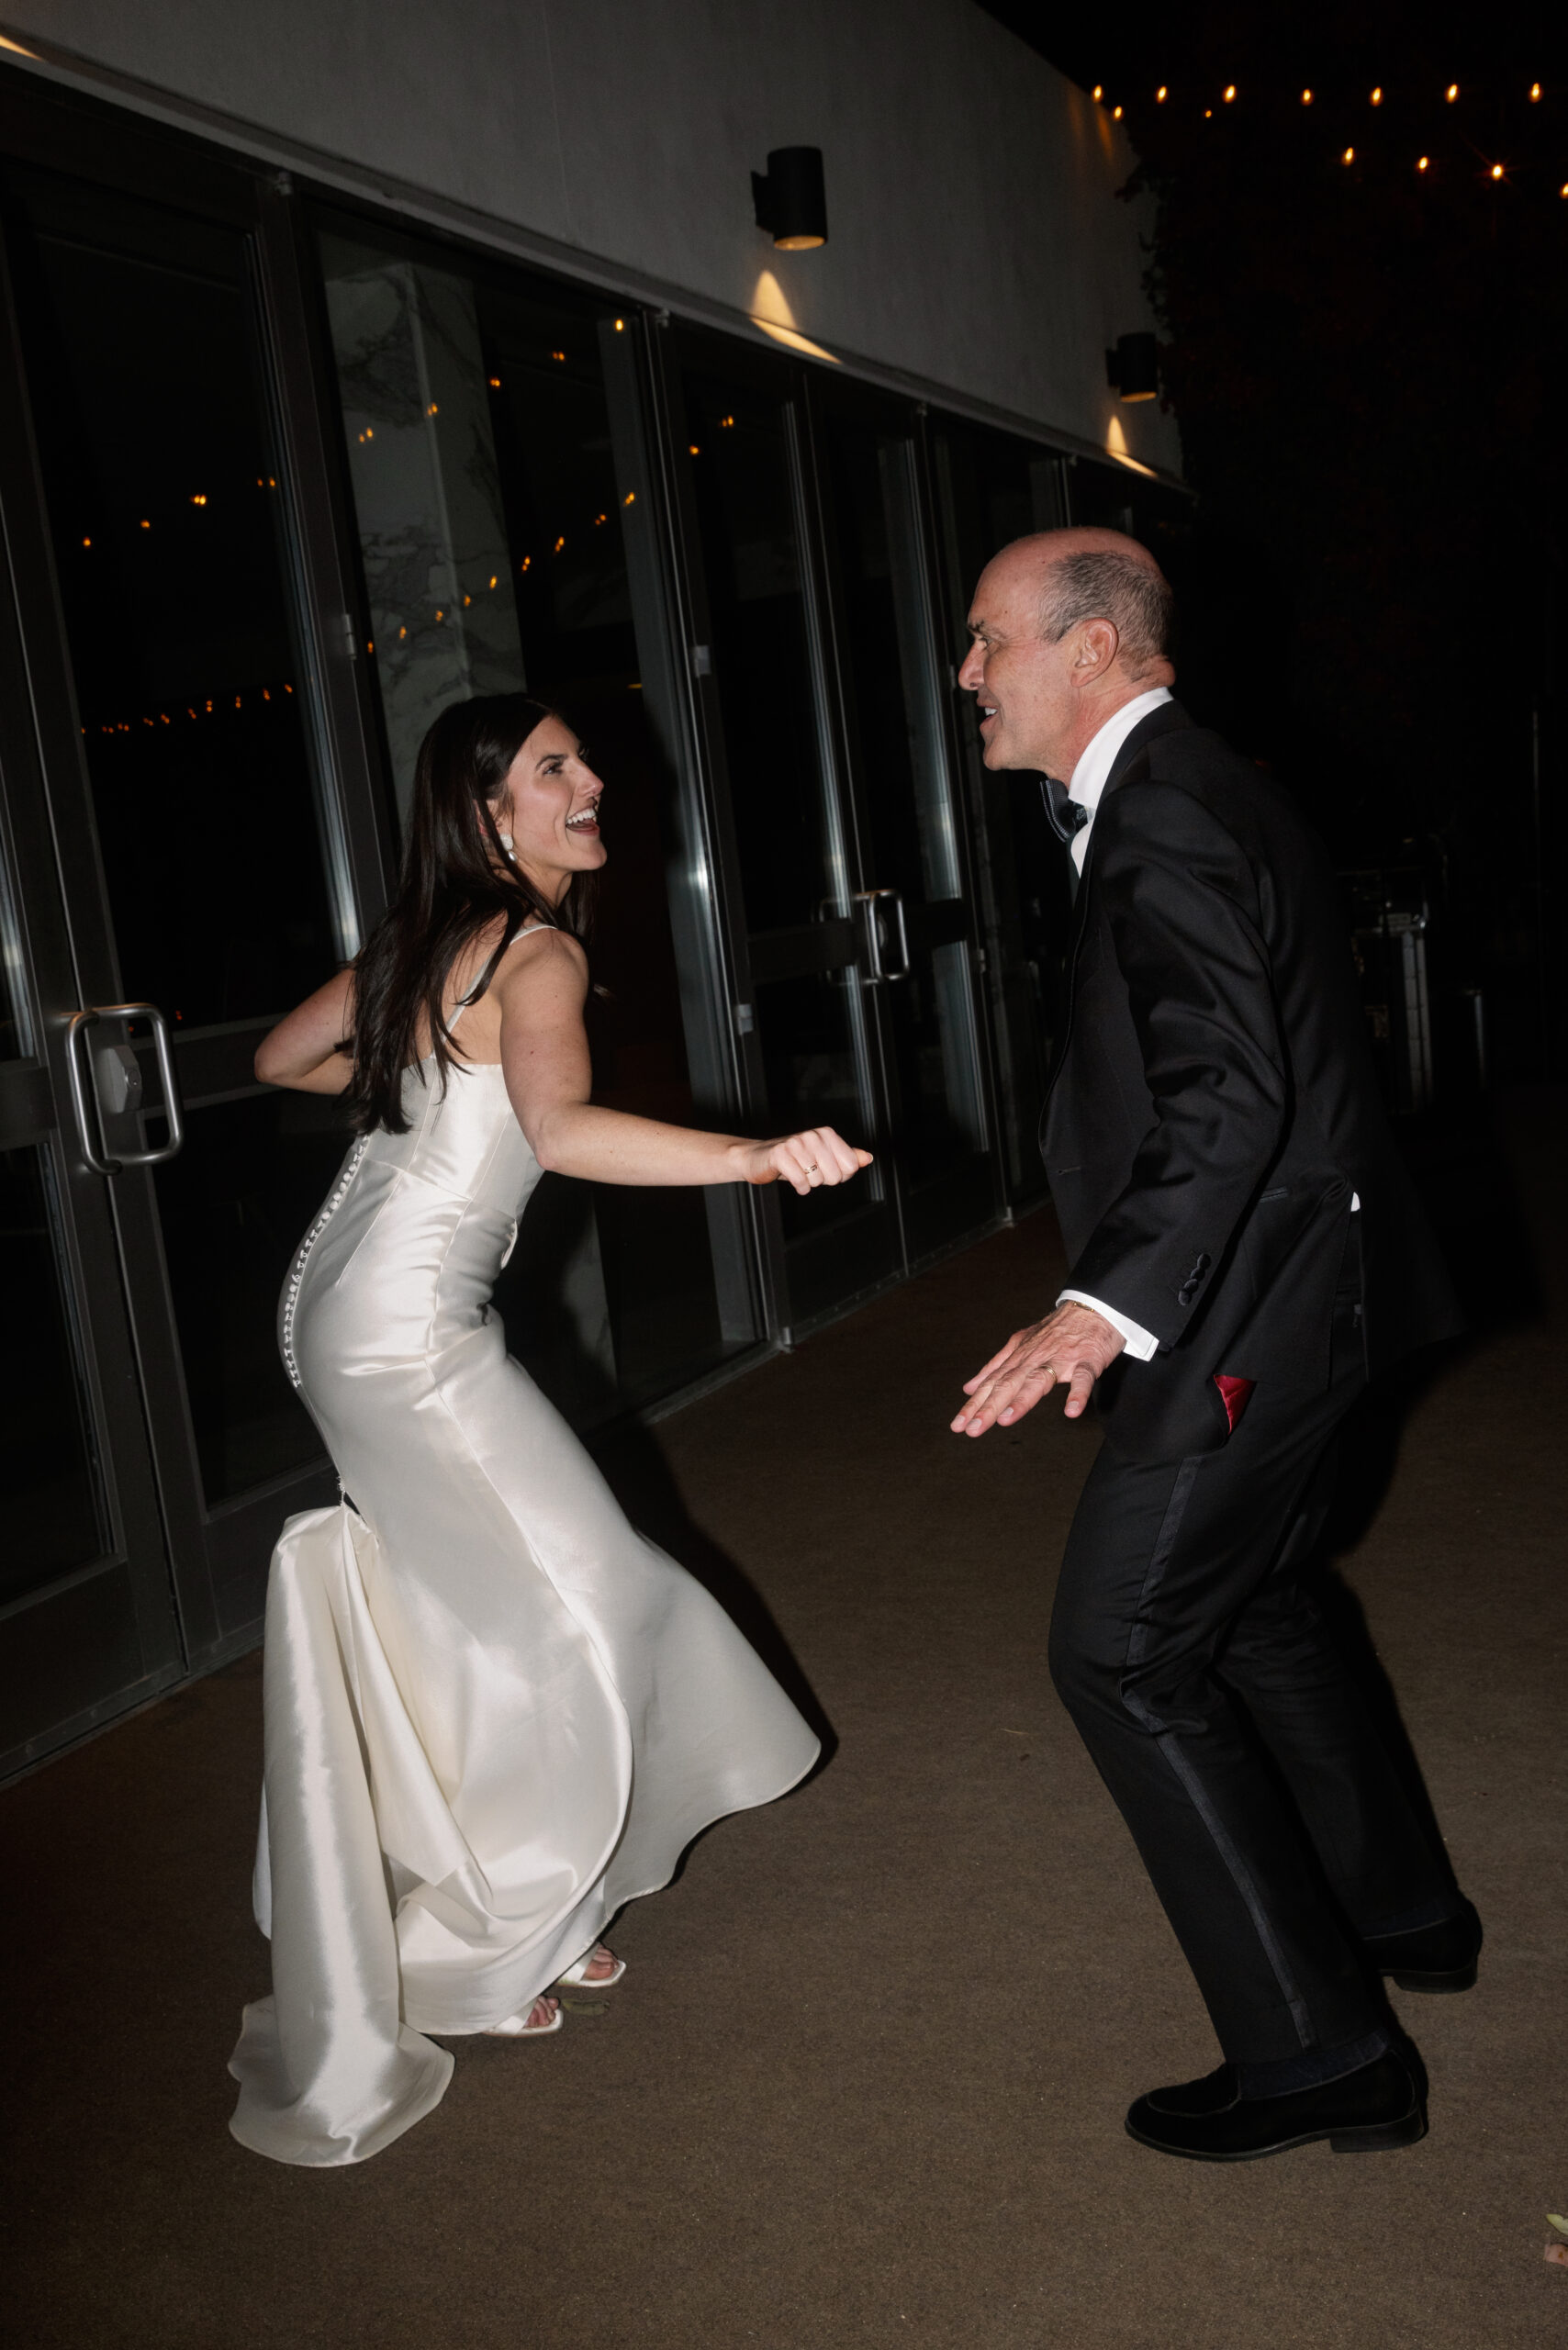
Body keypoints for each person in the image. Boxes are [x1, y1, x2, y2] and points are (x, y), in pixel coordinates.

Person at [229, 693, 870, 2166]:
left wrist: (427, 1105)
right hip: (407, 1337)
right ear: (491, 813)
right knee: (593, 1596)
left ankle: (532, 1895)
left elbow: (280, 1059)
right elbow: (567, 1133)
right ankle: (489, 1932)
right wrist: (758, 1153)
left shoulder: (422, 943)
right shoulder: (540, 949)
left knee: (486, 1604)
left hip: (346, 1308)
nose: (591, 784)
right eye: (553, 770)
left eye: (581, 762)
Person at [951, 529, 1477, 2163]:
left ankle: (1325, 2053)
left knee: (1119, 1648)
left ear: (1093, 648)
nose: (966, 674)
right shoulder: (1193, 781)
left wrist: (1097, 1305)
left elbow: (1232, 1093)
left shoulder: (1169, 805)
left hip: (1254, 1306)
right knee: (1251, 1608)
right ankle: (1405, 1913)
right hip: (1315, 1282)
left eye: (988, 642)